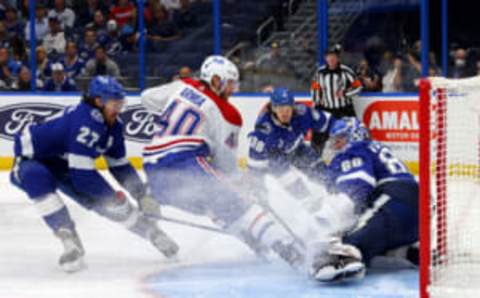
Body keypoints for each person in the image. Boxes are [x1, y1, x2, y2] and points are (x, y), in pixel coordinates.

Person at [140, 55, 305, 269]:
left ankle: (256, 242)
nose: (233, 89)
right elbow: (226, 164)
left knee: (215, 207)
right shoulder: (228, 113)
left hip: (153, 170)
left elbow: (146, 97)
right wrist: (243, 186)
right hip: (185, 163)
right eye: (230, 83)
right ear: (216, 81)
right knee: (240, 203)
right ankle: (292, 251)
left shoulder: (184, 85)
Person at [10, 76, 178, 273]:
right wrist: (113, 198)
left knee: (107, 203)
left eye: (120, 103)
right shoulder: (86, 122)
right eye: (115, 104)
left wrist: (140, 194)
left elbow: (118, 165)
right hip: (33, 160)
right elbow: (83, 177)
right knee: (38, 179)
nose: (119, 109)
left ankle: (152, 233)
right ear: (98, 102)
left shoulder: (113, 126)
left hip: (65, 164)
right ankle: (69, 240)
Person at [311, 117, 418, 282]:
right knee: (377, 241)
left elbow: (358, 185)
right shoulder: (374, 148)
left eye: (340, 139)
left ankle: (343, 257)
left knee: (348, 239)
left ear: (354, 136)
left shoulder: (354, 149)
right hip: (417, 213)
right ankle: (408, 252)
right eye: (334, 140)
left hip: (393, 199)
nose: (336, 145)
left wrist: (326, 220)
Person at [247, 87, 334, 206]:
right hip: (275, 157)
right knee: (281, 168)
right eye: (280, 108)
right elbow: (254, 166)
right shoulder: (264, 130)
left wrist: (343, 131)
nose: (285, 112)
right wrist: (257, 191)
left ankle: (337, 194)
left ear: (293, 107)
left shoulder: (303, 112)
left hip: (297, 148)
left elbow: (329, 122)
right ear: (273, 108)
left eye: (288, 108)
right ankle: (305, 200)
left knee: (322, 171)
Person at [310, 44, 362, 155]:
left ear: (338, 57)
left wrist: (345, 93)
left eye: (333, 56)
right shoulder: (320, 73)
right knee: (317, 139)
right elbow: (314, 88)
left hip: (344, 110)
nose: (331, 58)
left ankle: (354, 158)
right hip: (325, 110)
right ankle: (313, 163)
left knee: (350, 137)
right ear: (325, 58)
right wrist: (316, 100)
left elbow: (358, 87)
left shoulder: (346, 71)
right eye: (329, 56)